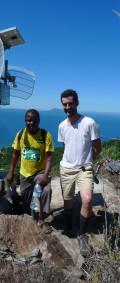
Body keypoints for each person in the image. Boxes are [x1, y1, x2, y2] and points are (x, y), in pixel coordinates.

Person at [58, 89, 102, 257]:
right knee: (68, 200)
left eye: (70, 103)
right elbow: (66, 147)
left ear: (77, 103)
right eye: (65, 104)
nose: (68, 107)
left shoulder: (89, 122)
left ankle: (82, 235)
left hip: (84, 169)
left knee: (88, 199)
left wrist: (89, 160)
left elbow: (98, 147)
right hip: (67, 169)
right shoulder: (62, 126)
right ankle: (69, 226)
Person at [6, 109, 54, 233]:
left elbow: (49, 157)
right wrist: (11, 171)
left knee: (43, 191)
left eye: (33, 120)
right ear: (25, 121)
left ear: (38, 121)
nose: (31, 123)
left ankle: (41, 220)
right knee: (28, 203)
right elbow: (15, 154)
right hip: (25, 173)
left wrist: (46, 175)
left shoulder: (45, 135)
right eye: (28, 120)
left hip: (39, 172)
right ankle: (31, 218)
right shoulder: (21, 134)